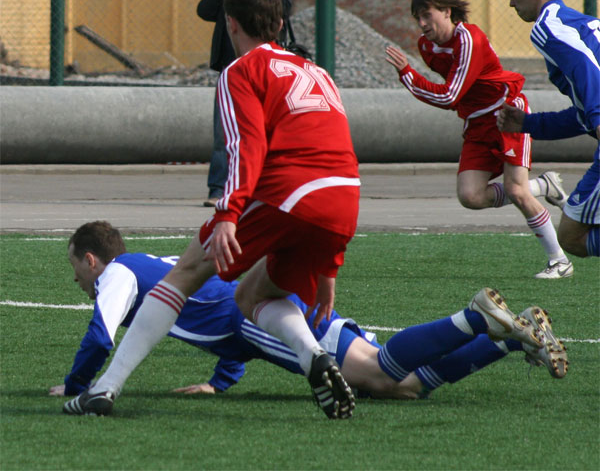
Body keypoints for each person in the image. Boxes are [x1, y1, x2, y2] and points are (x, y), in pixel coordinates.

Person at [63, 0, 360, 420]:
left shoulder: (239, 71)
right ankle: (313, 355)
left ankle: (103, 390)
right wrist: (328, 264)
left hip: (289, 191)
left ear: (231, 23)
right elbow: (338, 149)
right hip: (345, 199)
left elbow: (246, 146)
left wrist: (228, 212)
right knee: (253, 295)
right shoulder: (316, 71)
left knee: (183, 275)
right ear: (280, 23)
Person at [56, 222, 566, 406]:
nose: (78, 280)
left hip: (265, 315)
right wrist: (220, 381)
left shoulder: (116, 273)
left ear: (91, 259)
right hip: (260, 315)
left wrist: (78, 384)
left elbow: (102, 337)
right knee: (404, 387)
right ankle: (509, 337)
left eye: (77, 269)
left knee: (379, 373)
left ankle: (476, 318)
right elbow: (216, 303)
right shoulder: (152, 264)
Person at [385, 0, 573, 279]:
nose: (421, 24)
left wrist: (408, 76)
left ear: (446, 11)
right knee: (470, 196)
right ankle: (543, 186)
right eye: (417, 18)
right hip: (476, 123)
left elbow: (449, 96)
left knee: (516, 190)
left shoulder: (469, 39)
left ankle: (559, 261)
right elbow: (458, 92)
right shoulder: (426, 46)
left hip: (506, 113)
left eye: (427, 15)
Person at [498, 0, 599, 259]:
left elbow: (586, 71)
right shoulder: (586, 23)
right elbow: (582, 113)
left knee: (571, 235)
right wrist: (529, 124)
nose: (512, 3)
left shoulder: (547, 27)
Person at [197, 0, 292, 207]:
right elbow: (203, 11)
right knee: (224, 131)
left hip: (264, 69)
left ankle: (267, 185)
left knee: (265, 129)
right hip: (231, 69)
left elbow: (285, 5)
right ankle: (218, 188)